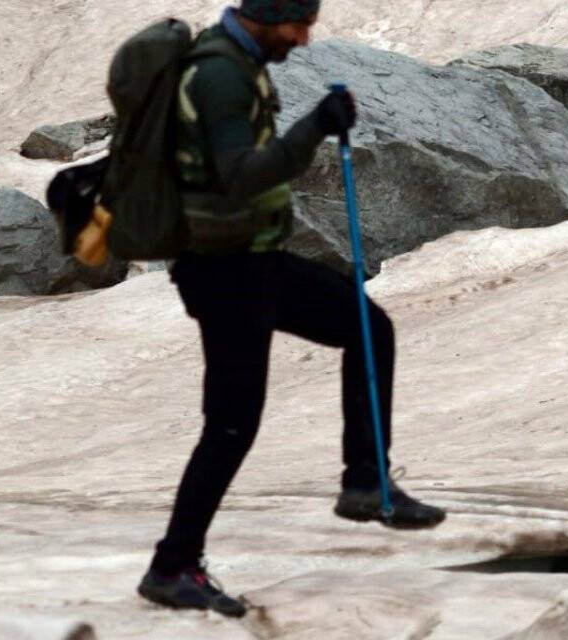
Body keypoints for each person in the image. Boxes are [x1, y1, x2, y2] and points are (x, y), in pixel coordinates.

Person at [136, 0, 446, 617]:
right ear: (266, 15)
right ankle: (172, 567)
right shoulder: (221, 74)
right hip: (224, 273)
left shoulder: (237, 62)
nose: (304, 38)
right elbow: (241, 175)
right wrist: (316, 126)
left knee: (367, 326)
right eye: (298, 24)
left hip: (252, 261)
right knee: (230, 425)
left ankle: (365, 483)